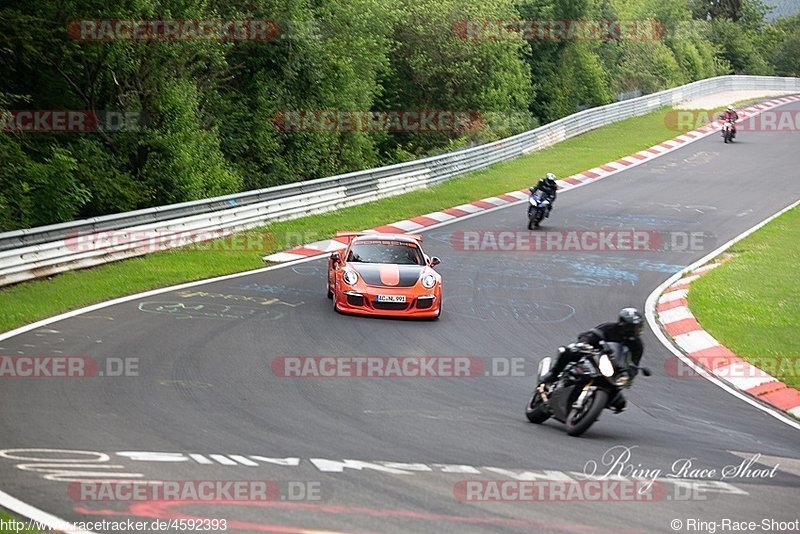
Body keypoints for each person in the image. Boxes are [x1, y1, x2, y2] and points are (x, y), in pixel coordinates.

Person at [539, 308, 645, 412]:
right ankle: (553, 374)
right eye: (635, 327)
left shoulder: (637, 344)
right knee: (569, 352)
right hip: (593, 355)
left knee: (619, 400)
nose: (638, 330)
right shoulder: (609, 328)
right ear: (625, 325)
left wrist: (629, 373)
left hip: (614, 368)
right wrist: (584, 343)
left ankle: (590, 407)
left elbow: (634, 363)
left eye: (639, 327)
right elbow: (591, 335)